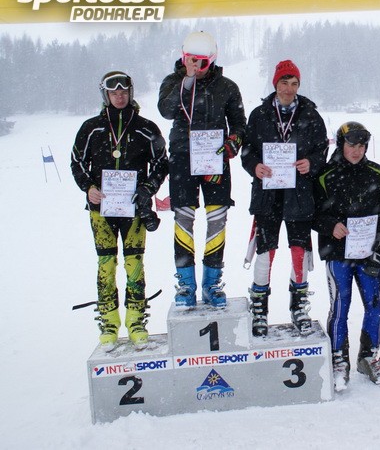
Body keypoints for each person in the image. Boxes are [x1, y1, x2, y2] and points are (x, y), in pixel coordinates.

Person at [71, 71, 168, 351]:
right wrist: (88, 187)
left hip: (134, 209)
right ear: (106, 95)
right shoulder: (91, 128)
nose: (119, 96)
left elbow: (162, 163)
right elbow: (77, 162)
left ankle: (136, 321)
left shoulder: (146, 128)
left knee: (134, 263)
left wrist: (147, 188)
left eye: (124, 92)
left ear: (131, 92)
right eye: (114, 93)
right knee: (106, 263)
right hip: (100, 209)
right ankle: (109, 322)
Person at [158, 31, 246, 308]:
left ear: (213, 60)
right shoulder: (172, 81)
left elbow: (240, 123)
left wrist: (234, 142)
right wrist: (186, 81)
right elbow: (166, 110)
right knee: (183, 218)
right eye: (190, 61)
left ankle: (212, 282)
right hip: (183, 157)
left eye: (202, 63)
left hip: (215, 158)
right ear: (183, 58)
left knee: (217, 218)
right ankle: (186, 284)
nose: (196, 67)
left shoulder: (227, 87)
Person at [241, 59, 328, 336]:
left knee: (299, 252)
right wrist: (255, 166)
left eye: (294, 84)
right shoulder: (259, 115)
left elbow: (322, 150)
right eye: (284, 83)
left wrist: (311, 163)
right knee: (265, 251)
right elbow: (247, 150)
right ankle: (259, 308)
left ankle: (299, 306)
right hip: (267, 195)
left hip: (299, 194)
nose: (289, 89)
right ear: (275, 84)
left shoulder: (311, 115)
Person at [313, 122, 380, 391]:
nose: (357, 151)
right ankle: (339, 358)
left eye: (361, 146)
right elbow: (311, 212)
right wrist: (330, 226)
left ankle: (368, 356)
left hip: (369, 254)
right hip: (337, 253)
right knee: (340, 307)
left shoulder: (377, 173)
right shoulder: (324, 174)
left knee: (375, 305)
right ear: (340, 144)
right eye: (351, 145)